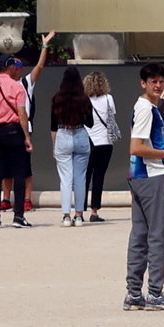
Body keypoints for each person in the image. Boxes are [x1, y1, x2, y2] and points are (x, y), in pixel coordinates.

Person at [121, 63, 164, 310]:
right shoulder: (146, 109)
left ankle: (134, 292)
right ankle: (154, 291)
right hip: (151, 176)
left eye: (161, 81)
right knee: (160, 235)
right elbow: (136, 147)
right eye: (153, 81)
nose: (158, 85)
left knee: (140, 235)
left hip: (139, 176)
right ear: (143, 83)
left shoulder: (144, 107)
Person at [0, 53, 33, 226]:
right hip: (13, 131)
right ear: (10, 67)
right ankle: (18, 216)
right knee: (19, 174)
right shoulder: (17, 87)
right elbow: (22, 114)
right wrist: (26, 137)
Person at [50, 66, 99, 224]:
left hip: (63, 134)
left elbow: (53, 126)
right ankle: (78, 215)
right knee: (80, 178)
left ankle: (66, 215)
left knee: (65, 179)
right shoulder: (84, 99)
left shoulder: (57, 98)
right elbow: (90, 123)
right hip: (80, 134)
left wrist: (54, 146)